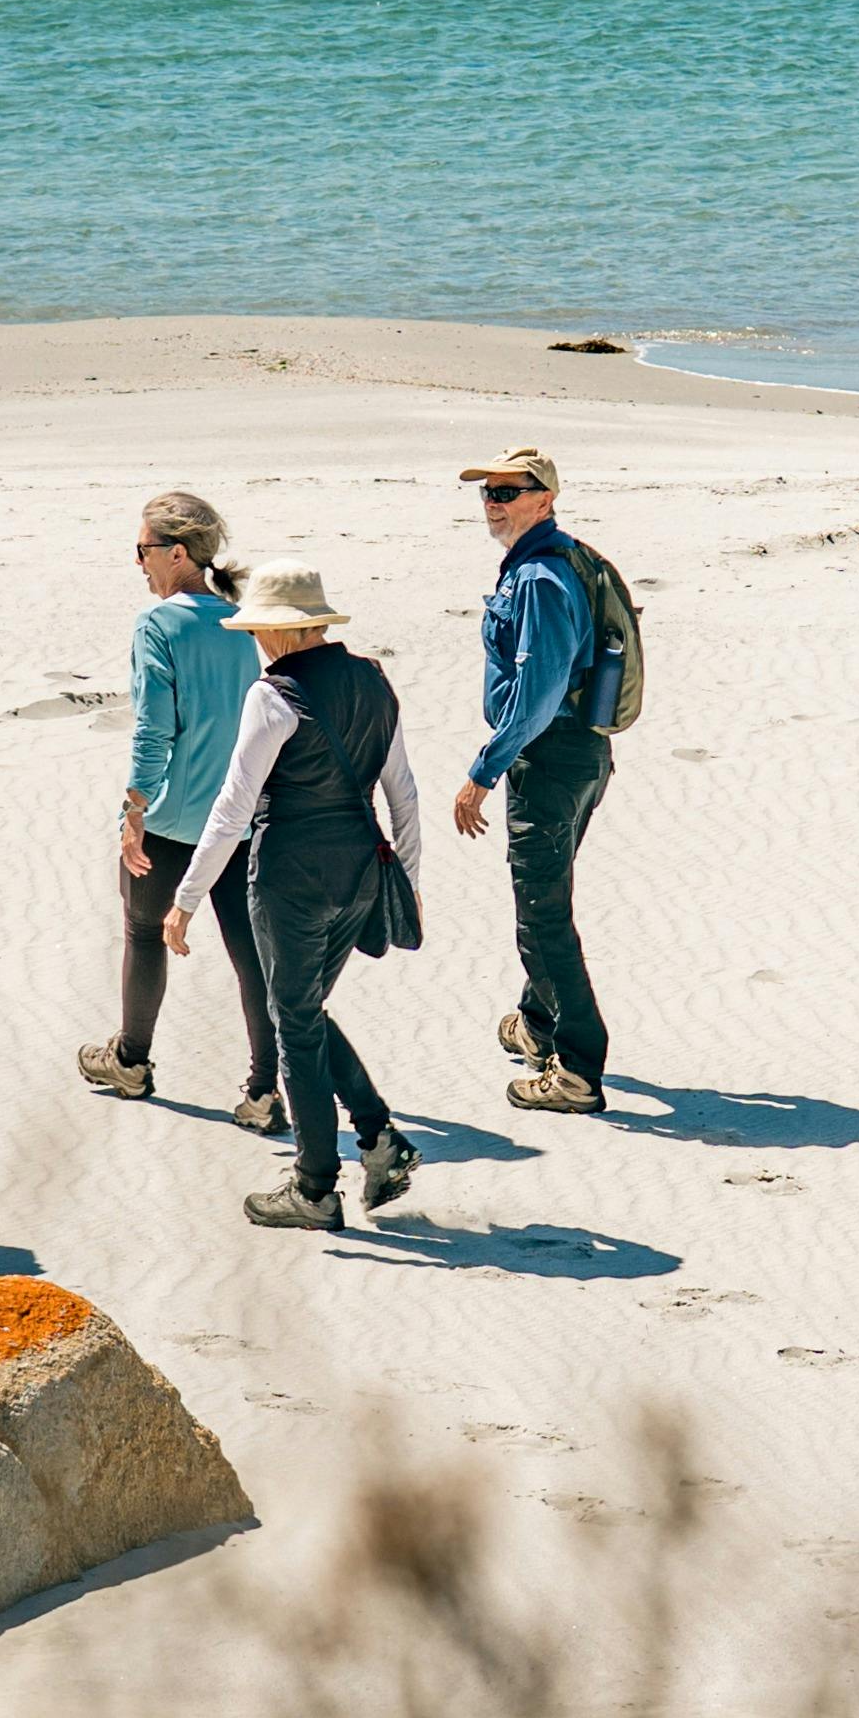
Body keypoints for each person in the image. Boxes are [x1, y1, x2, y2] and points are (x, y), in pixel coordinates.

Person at [165, 564, 423, 1232]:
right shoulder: (373, 679)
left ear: (289, 631)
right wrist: (408, 884)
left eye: (263, 629)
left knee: (295, 1023)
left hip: (290, 876)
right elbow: (402, 793)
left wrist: (187, 897)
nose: (259, 641)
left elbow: (233, 808)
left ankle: (314, 1187)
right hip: (363, 868)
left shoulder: (273, 695)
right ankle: (378, 1140)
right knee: (300, 1009)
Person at [80, 490, 280, 1126]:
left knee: (143, 934)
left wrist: (133, 807)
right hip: (241, 819)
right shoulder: (243, 620)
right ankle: (265, 1090)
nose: (137, 563)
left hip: (171, 820)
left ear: (176, 553)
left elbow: (153, 731)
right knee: (252, 957)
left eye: (142, 550)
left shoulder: (157, 626)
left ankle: (131, 1062)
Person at [454, 447, 627, 1117]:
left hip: (550, 760)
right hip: (576, 755)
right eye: (488, 491)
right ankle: (536, 1022)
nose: (493, 502)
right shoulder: (543, 564)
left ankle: (579, 1069)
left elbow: (539, 686)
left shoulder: (540, 579)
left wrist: (482, 772)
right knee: (544, 901)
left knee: (543, 918)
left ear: (544, 498)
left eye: (508, 491)